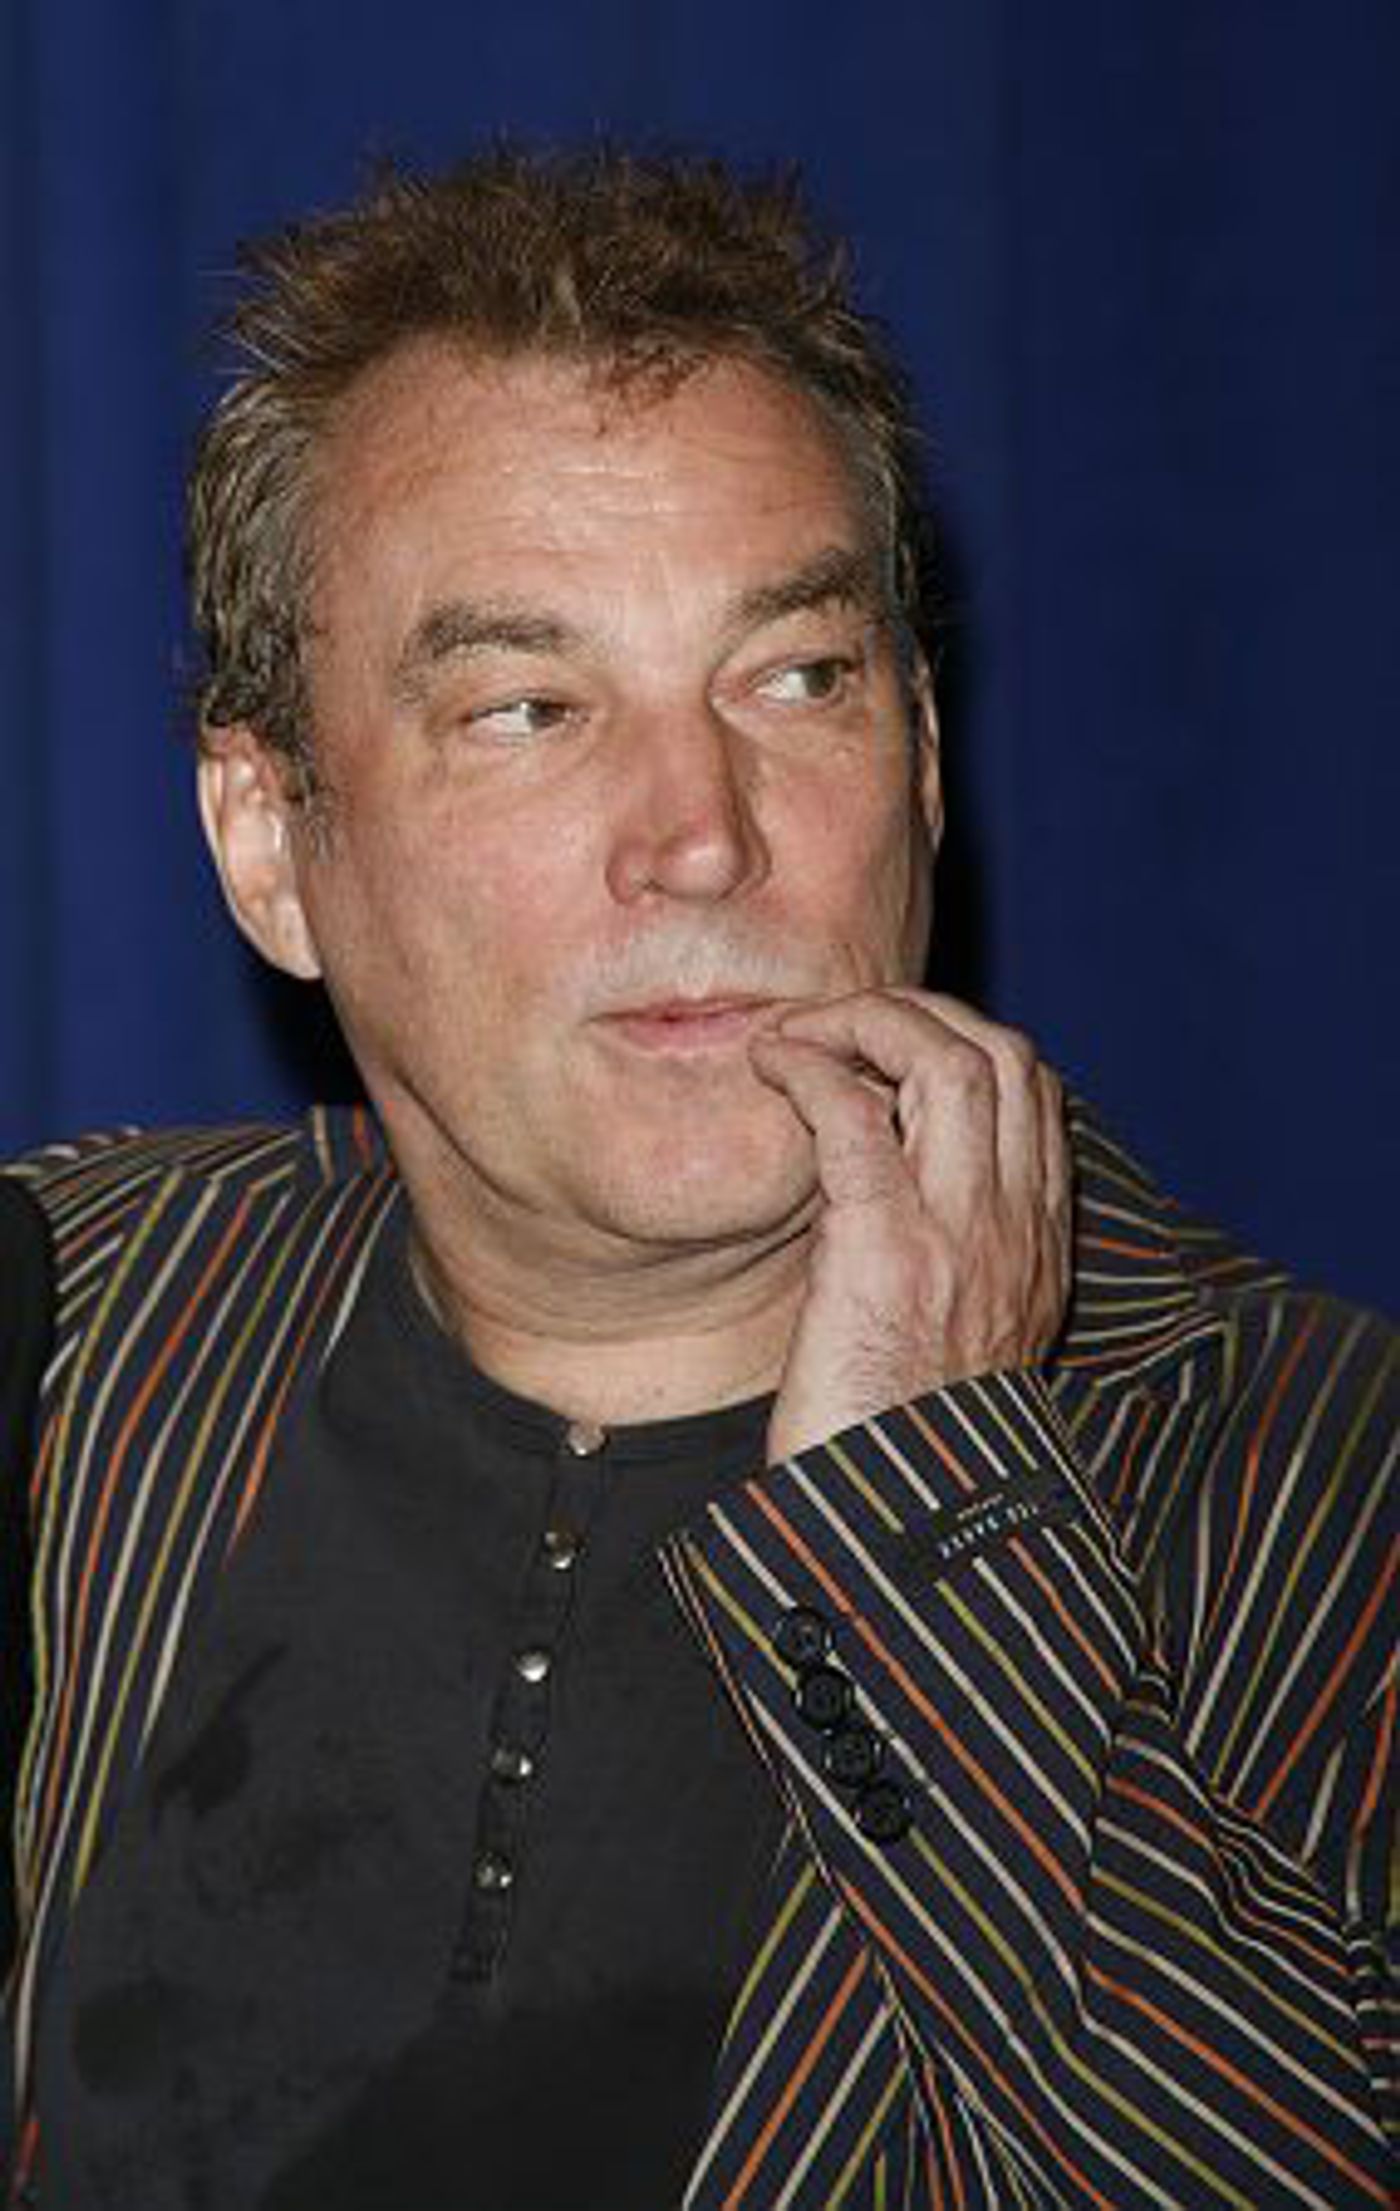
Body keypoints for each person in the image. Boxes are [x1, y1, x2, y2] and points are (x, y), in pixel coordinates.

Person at [0, 146, 1394, 2210]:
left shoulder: (1321, 1481)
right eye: (529, 708)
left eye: (797, 678)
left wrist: (932, 1528)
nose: (702, 835)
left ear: (925, 759)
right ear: (269, 842)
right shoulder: (73, 1325)